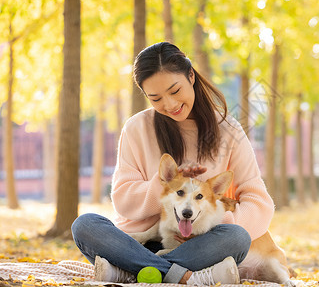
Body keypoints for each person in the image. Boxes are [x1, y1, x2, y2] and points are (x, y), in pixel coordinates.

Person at [71, 42, 275, 285]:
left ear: (191, 76)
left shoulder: (228, 130)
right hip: (138, 243)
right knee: (85, 225)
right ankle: (182, 276)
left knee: (237, 237)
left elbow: (259, 202)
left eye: (175, 91)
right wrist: (164, 185)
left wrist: (210, 224)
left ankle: (133, 272)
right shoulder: (136, 128)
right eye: (155, 98)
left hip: (198, 245)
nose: (168, 104)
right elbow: (123, 199)